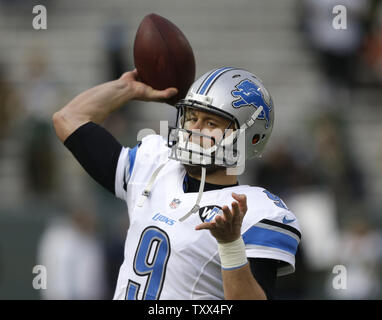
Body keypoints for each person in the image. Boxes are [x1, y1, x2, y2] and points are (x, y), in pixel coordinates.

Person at [52, 67, 301, 300]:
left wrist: (230, 244)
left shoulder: (254, 210)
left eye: (210, 123)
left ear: (249, 137)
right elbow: (68, 118)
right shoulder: (155, 165)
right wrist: (126, 90)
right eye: (192, 117)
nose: (194, 129)